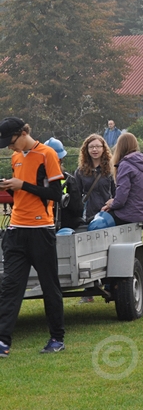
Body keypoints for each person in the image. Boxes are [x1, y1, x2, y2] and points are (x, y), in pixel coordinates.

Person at [0, 117, 65, 357]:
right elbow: (20, 193)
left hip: (41, 230)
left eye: (11, 142)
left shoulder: (47, 154)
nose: (9, 147)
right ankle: (3, 341)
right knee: (10, 286)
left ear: (22, 133)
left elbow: (55, 194)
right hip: (16, 229)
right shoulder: (16, 158)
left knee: (50, 286)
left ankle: (57, 338)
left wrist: (23, 185)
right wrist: (10, 187)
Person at [101, 133, 143, 225]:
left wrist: (112, 204)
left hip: (128, 214)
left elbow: (122, 194)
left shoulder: (125, 165)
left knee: (100, 220)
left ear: (120, 146)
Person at [74, 134, 116, 223]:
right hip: (88, 215)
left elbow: (116, 192)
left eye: (98, 146)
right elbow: (76, 195)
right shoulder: (80, 171)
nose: (94, 149)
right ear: (86, 149)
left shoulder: (111, 169)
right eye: (91, 147)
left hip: (107, 214)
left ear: (103, 148)